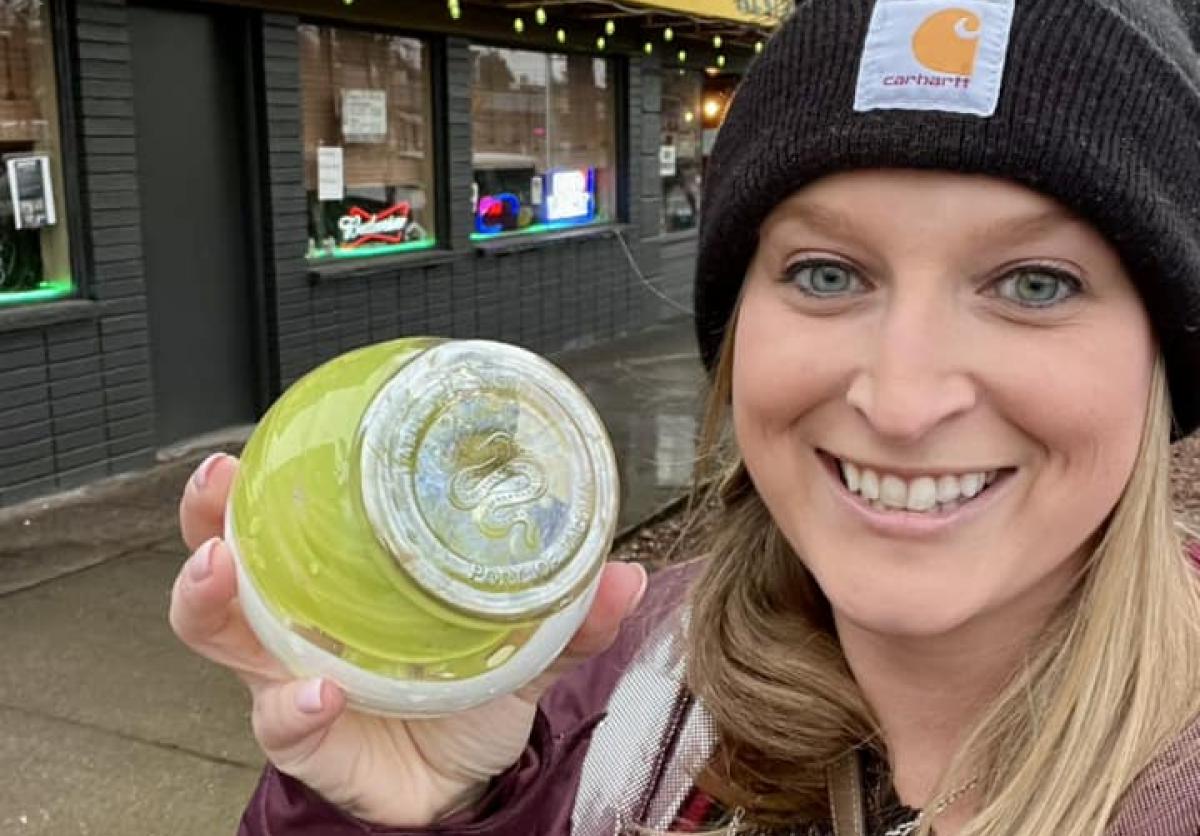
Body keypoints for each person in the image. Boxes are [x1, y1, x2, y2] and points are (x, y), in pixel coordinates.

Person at [169, 1, 1200, 833]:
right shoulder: (610, 681)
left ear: (1162, 349)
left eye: (1033, 283)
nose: (903, 397)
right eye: (828, 271)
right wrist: (438, 811)